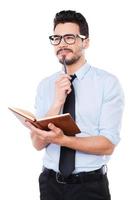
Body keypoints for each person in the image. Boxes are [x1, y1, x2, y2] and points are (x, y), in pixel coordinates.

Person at [26, 10, 124, 200]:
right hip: (49, 184)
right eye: (57, 38)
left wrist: (63, 140)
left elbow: (108, 144)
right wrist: (57, 102)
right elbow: (37, 144)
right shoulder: (45, 85)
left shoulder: (107, 83)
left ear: (85, 42)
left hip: (90, 187)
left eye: (69, 38)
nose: (62, 43)